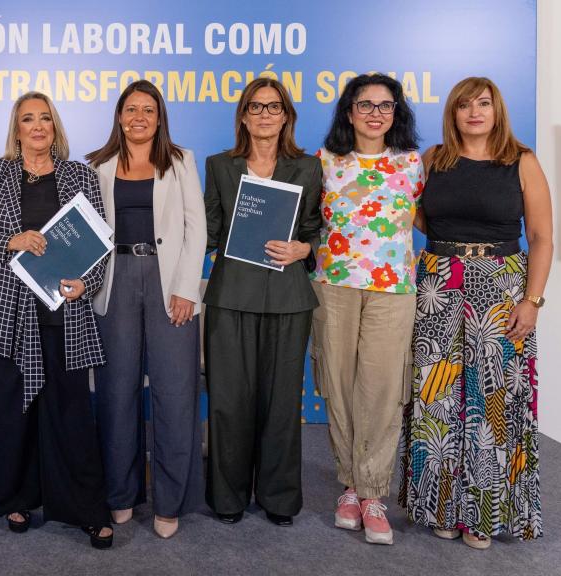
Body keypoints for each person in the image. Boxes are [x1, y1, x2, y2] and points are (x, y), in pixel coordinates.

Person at [403, 77, 551, 549]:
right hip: (438, 283)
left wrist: (533, 301)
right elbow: (417, 215)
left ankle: (484, 515)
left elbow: (542, 238)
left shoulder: (522, 161)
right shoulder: (434, 160)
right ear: (453, 112)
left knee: (492, 402)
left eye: (483, 103)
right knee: (437, 396)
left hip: (502, 287)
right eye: (464, 104)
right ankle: (441, 508)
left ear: (496, 109)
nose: (474, 112)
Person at [0, 92, 114, 549]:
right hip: (5, 314)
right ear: (18, 129)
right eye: (28, 119)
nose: (38, 126)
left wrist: (88, 283)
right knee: (11, 413)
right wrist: (13, 240)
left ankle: (85, 509)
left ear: (54, 126)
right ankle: (16, 498)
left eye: (45, 118)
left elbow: (100, 243)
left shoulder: (80, 175)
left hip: (64, 312)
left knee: (71, 414)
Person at [86, 80, 206, 539]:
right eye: (131, 109)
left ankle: (170, 501)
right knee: (116, 392)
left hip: (168, 282)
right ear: (119, 116)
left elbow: (196, 228)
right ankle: (120, 493)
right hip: (113, 282)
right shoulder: (96, 164)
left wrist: (187, 289)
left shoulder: (180, 161)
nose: (139, 117)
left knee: (175, 393)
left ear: (160, 119)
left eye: (148, 110)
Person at [203, 77, 322, 527]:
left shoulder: (308, 167)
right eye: (256, 107)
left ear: (287, 116)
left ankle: (279, 498)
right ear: (243, 116)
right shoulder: (219, 165)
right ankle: (227, 496)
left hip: (289, 298)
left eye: (274, 107)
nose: (265, 115)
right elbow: (209, 230)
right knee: (229, 401)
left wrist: (304, 249)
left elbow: (315, 229)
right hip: (231, 295)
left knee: (281, 403)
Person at [310, 74, 423, 545]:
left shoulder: (413, 162)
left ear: (396, 112)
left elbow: (427, 218)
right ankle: (350, 487)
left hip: (392, 289)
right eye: (365, 105)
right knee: (338, 386)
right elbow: (305, 222)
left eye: (385, 105)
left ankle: (373, 493)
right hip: (334, 286)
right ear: (349, 111)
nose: (375, 114)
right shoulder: (324, 161)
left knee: (380, 390)